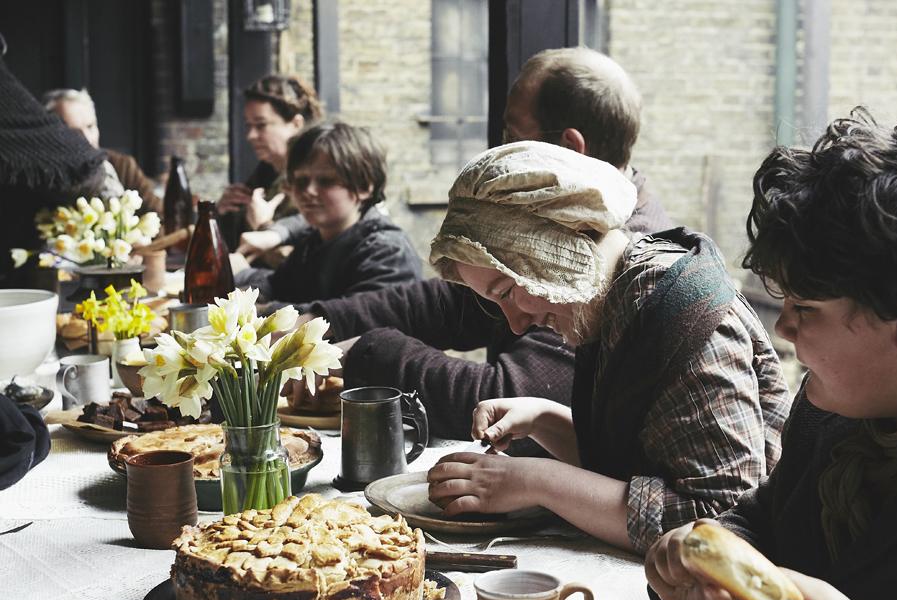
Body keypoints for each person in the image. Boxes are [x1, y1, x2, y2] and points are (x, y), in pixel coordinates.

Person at [644, 110, 897, 600]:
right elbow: (771, 520)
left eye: (806, 307)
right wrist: (711, 555)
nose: (784, 325)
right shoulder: (834, 403)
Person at [285, 47, 673, 441]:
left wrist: (364, 355)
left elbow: (510, 398)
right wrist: (310, 321)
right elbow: (454, 303)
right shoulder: (570, 225)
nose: (496, 148)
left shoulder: (605, 255)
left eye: (511, 136)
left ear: (570, 149)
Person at [423, 141, 789, 553]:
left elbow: (725, 523)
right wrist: (545, 419)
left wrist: (532, 480)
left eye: (508, 290)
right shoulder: (611, 302)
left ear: (557, 250)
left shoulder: (681, 312)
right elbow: (636, 466)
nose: (516, 322)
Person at [234, 122, 422, 304]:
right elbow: (277, 286)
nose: (309, 191)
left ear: (364, 186)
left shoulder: (387, 253)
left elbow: (345, 319)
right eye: (301, 181)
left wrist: (258, 309)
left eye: (326, 181)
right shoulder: (314, 241)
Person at [0, 33, 109, 287]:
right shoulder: (82, 164)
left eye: (90, 126)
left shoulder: (118, 163)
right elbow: (85, 169)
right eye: (73, 130)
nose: (84, 137)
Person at [218, 73, 323, 260]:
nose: (250, 135)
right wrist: (223, 213)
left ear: (296, 124)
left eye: (261, 125)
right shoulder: (266, 171)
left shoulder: (318, 180)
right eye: (249, 125)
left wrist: (264, 226)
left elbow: (307, 261)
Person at [42, 88, 162, 215]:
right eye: (74, 132)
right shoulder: (43, 180)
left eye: (90, 126)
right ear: (53, 136)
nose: (87, 139)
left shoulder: (123, 166)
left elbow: (161, 215)